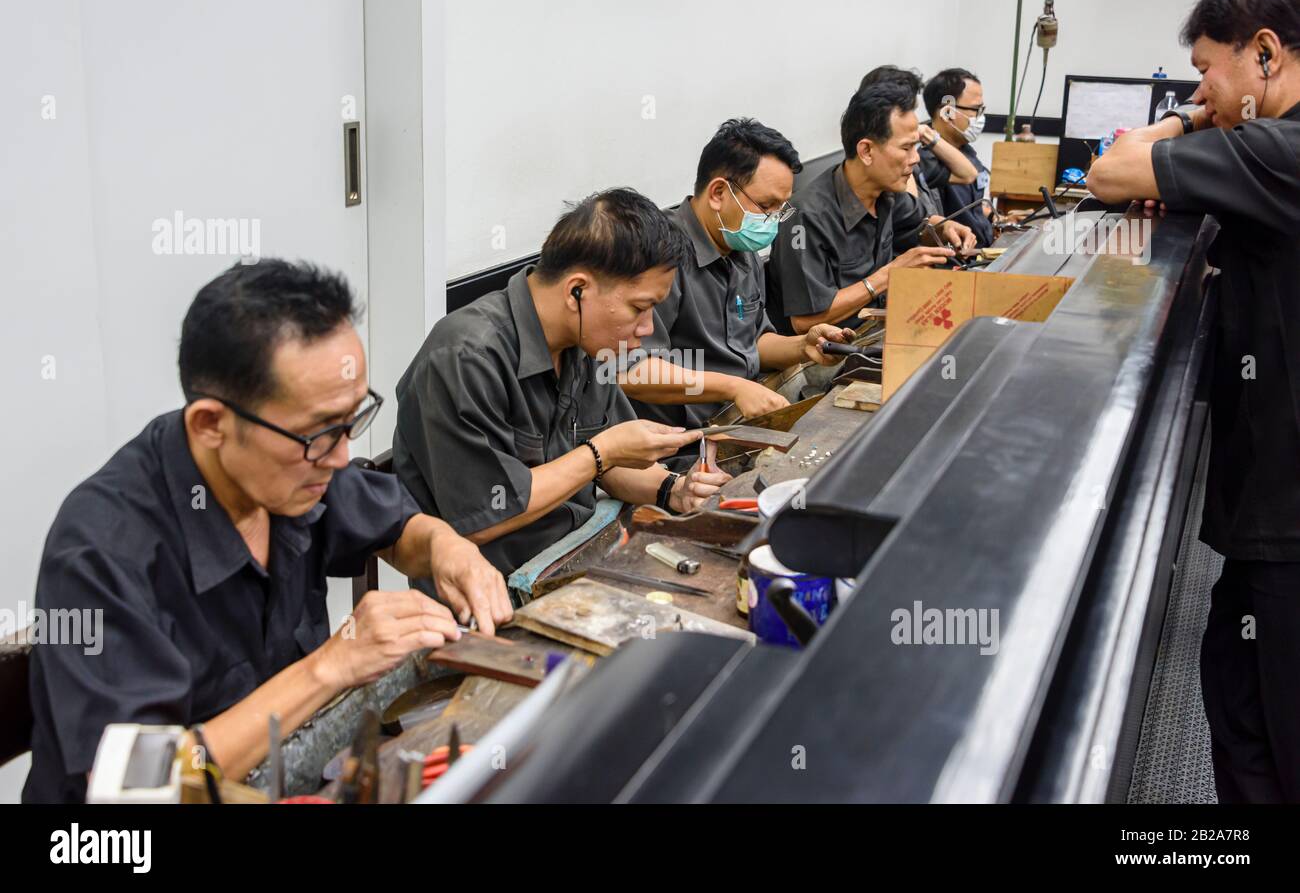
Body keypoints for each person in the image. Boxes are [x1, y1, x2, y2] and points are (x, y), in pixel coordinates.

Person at [23, 259, 509, 803]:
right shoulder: (101, 551)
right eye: (320, 433)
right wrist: (331, 665)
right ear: (210, 425)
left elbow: (397, 523)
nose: (343, 455)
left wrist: (448, 546)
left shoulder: (295, 471)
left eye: (353, 420)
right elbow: (137, 784)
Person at [1088, 0, 1300, 803]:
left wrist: (1182, 120)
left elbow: (1111, 170)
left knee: (1270, 734)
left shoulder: (1278, 150)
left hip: (1287, 516)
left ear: (1266, 54)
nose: (1202, 88)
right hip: (1271, 506)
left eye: (1208, 69)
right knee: (1239, 699)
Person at [393, 188, 730, 576]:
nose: (648, 327)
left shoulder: (583, 343)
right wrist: (600, 452)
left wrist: (675, 488)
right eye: (639, 308)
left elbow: (612, 462)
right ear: (577, 291)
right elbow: (487, 515)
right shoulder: (465, 357)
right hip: (496, 594)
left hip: (585, 552)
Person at [619, 119, 856, 445]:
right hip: (679, 447)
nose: (772, 220)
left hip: (740, 423)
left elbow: (753, 345)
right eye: (765, 206)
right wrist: (733, 387)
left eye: (779, 210)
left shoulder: (743, 251)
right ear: (718, 193)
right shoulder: (658, 256)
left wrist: (804, 346)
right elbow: (631, 371)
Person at [766, 81, 972, 335]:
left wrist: (944, 227)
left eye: (916, 147)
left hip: (875, 332)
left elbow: (920, 222)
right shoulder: (806, 217)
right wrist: (887, 276)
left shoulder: (887, 194)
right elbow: (805, 323)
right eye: (907, 148)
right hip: (823, 358)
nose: (916, 158)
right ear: (866, 151)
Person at [859, 65, 979, 220]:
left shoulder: (915, 158)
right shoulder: (880, 168)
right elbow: (912, 219)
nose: (915, 158)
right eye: (905, 109)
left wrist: (927, 135)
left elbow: (968, 174)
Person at [921, 68, 996, 248]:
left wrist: (997, 217)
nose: (981, 117)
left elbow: (971, 210)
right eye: (976, 110)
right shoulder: (927, 161)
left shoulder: (966, 151)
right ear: (947, 112)